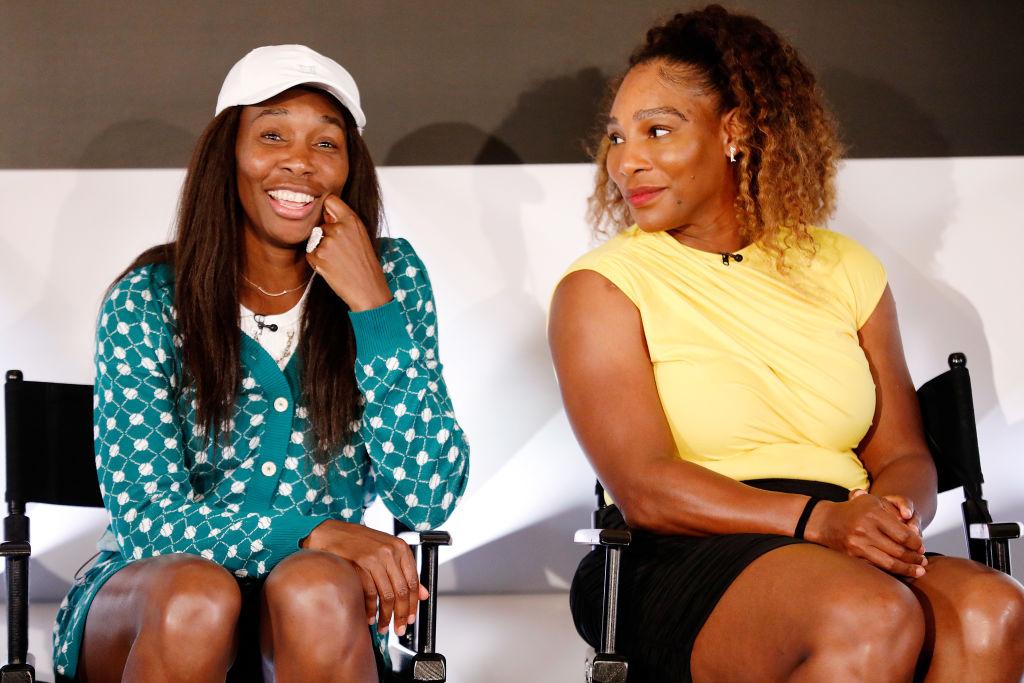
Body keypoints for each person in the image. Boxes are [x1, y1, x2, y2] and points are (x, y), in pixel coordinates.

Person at [548, 6, 1024, 682]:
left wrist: (890, 516)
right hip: (680, 550)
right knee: (867, 613)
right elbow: (646, 489)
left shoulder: (846, 268)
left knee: (992, 608)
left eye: (657, 130)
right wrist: (819, 523)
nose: (627, 161)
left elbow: (902, 454)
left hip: (839, 531)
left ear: (736, 129)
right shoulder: (602, 287)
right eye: (618, 136)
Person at [51, 45, 469, 683]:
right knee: (196, 597)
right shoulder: (147, 298)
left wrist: (372, 307)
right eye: (272, 135)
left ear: (349, 168)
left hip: (313, 606)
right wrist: (315, 531)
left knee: (316, 589)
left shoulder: (392, 277)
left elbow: (429, 497)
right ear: (228, 155)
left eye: (326, 143)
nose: (300, 161)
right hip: (154, 599)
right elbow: (147, 523)